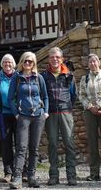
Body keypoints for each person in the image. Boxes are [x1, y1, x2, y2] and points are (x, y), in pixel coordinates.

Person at [8, 51, 49, 189]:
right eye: (25, 60)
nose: (27, 63)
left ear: (33, 63)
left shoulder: (39, 78)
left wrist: (45, 112)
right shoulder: (17, 78)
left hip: (38, 116)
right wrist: (16, 114)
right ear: (21, 62)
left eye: (30, 61)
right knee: (21, 147)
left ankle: (31, 177)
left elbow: (45, 96)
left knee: (34, 148)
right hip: (23, 116)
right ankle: (17, 177)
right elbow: (10, 98)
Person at [40, 47, 78, 186]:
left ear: (62, 59)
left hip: (65, 112)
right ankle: (54, 176)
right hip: (50, 113)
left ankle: (71, 176)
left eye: (57, 57)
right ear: (49, 59)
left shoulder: (69, 75)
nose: (54, 59)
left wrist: (67, 107)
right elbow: (42, 95)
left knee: (69, 144)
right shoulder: (43, 76)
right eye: (52, 57)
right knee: (53, 145)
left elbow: (74, 95)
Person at [78, 53, 101, 182]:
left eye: (95, 61)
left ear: (99, 63)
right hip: (89, 112)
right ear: (88, 65)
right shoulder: (84, 79)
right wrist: (91, 107)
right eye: (90, 62)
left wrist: (98, 106)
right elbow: (81, 95)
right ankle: (94, 174)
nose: (93, 63)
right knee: (92, 142)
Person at [0, 54, 18, 183]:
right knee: (6, 144)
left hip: (18, 114)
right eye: (5, 62)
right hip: (4, 114)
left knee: (20, 143)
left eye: (10, 62)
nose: (7, 64)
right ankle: (8, 172)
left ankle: (21, 171)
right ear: (2, 64)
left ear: (13, 64)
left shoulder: (19, 77)